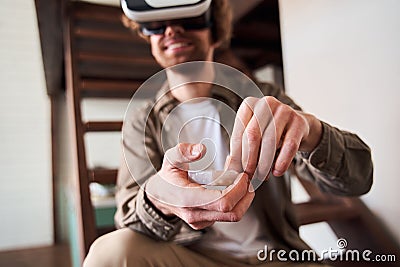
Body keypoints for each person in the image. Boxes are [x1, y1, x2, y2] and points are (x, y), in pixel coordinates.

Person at [84, 0, 373, 266]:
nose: (172, 29)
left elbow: (359, 179)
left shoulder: (263, 98)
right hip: (193, 258)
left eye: (188, 18)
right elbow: (127, 215)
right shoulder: (142, 120)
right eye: (156, 24)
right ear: (147, 36)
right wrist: (158, 201)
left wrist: (312, 133)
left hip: (274, 255)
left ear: (214, 28)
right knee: (108, 253)